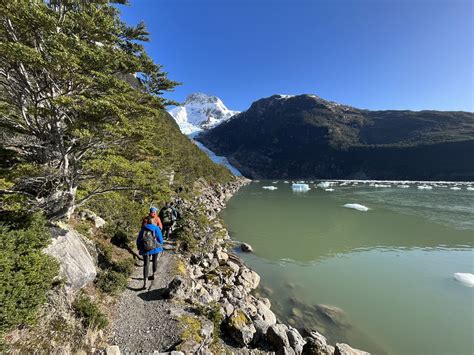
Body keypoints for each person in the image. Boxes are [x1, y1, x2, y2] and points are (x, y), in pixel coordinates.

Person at [136, 216, 163, 289]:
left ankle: (145, 283)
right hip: (155, 248)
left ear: (147, 222)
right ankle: (154, 274)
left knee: (146, 265)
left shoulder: (143, 229)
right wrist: (161, 246)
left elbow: (138, 240)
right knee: (155, 260)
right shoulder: (156, 228)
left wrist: (139, 248)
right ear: (154, 222)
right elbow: (160, 239)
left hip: (145, 249)